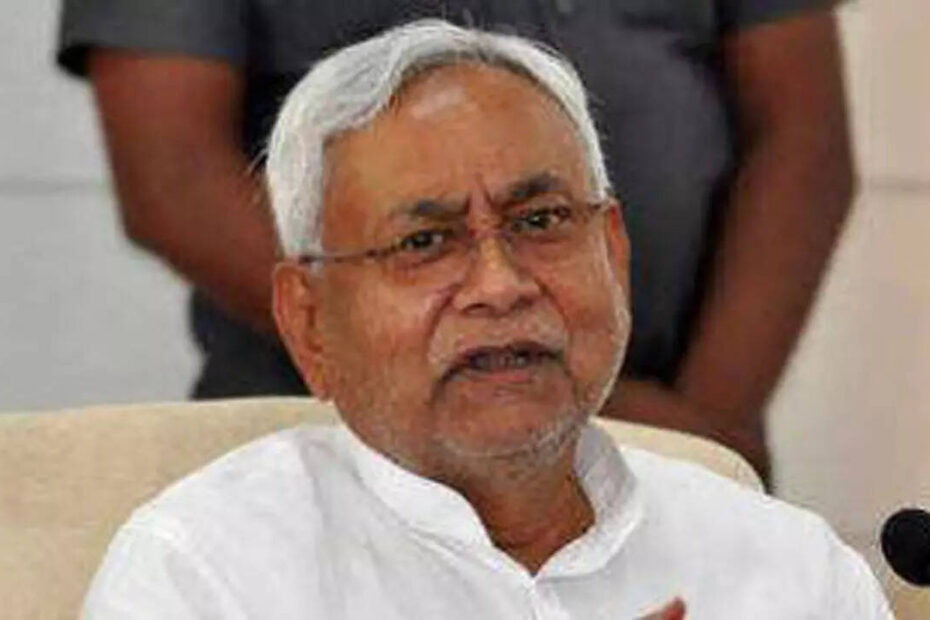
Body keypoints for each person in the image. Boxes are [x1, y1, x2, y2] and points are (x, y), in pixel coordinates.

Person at [82, 22, 887, 619]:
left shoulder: (789, 570)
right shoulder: (205, 574)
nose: (499, 287)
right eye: (425, 243)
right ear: (310, 323)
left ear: (613, 255)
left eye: (540, 222)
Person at [57, 0, 854, 482]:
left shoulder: (740, 524)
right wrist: (561, 396)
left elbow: (803, 140)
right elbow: (173, 178)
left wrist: (704, 433)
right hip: (337, 448)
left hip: (681, 430)